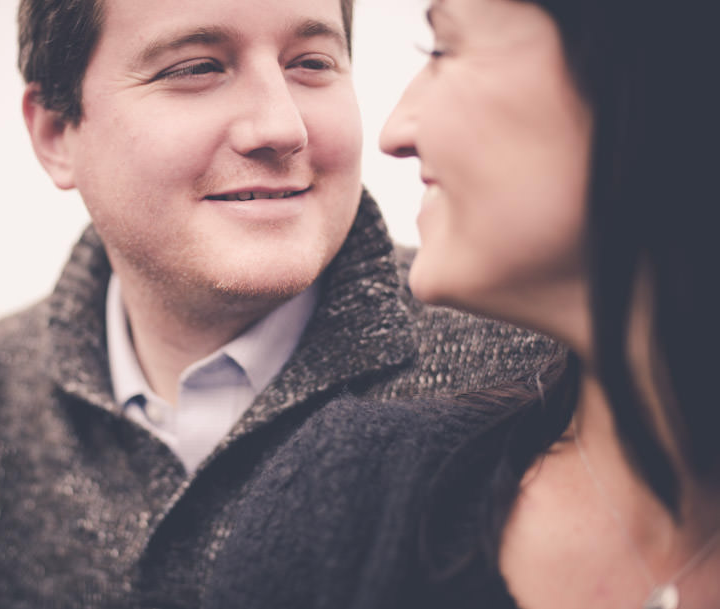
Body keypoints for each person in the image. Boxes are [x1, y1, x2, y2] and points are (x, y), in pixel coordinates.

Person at [0, 0, 557, 607]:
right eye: (197, 67)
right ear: (56, 133)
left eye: (312, 63)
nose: (280, 126)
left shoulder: (538, 368)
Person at [199, 0, 720, 607]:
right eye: (195, 69)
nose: (393, 132)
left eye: (442, 48)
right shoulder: (350, 497)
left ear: (657, 68)